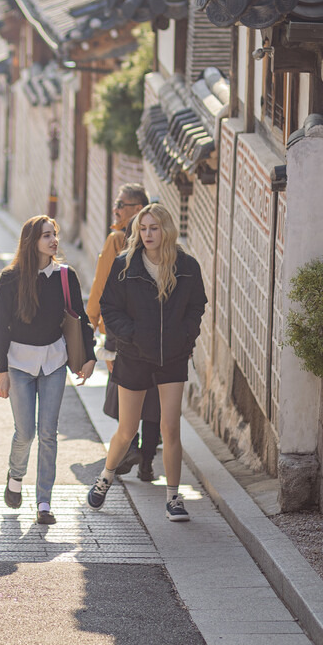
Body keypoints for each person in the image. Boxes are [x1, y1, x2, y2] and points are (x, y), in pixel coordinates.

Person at [87, 203, 207, 522]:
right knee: (127, 430)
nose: (148, 234)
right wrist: (133, 336)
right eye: (143, 228)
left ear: (165, 230)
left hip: (172, 358)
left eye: (154, 228)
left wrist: (184, 336)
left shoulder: (187, 267)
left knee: (170, 428)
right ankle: (105, 477)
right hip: (135, 356)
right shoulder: (125, 265)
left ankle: (173, 497)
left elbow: (198, 306)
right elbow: (109, 308)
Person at [0, 216, 96, 526]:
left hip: (54, 363)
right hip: (19, 364)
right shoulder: (10, 279)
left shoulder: (65, 276)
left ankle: (44, 501)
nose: (53, 241)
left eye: (55, 235)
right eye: (46, 235)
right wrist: (1, 370)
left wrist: (89, 356)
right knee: (26, 432)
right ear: (31, 241)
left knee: (49, 433)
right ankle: (15, 475)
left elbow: (81, 318)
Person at [87, 184, 162, 481]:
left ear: (137, 208)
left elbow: (100, 287)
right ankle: (146, 463)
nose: (115, 209)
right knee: (153, 395)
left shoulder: (118, 239)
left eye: (121, 204)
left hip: (121, 331)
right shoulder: (158, 244)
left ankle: (130, 447)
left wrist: (91, 324)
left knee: (126, 390)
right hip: (154, 334)